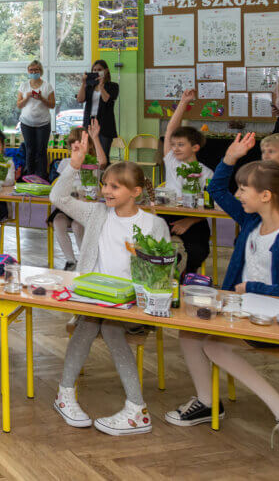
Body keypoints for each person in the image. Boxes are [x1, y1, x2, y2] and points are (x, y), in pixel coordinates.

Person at [168, 132, 279, 464]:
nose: (238, 195)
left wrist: (252, 288)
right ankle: (207, 403)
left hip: (276, 318)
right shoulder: (251, 220)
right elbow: (217, 190)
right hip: (245, 309)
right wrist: (229, 159)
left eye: (244, 189)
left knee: (215, 346)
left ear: (265, 195)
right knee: (189, 331)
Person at [49, 132, 167, 436]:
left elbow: (162, 273)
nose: (106, 190)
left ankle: (134, 408)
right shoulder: (97, 212)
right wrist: (74, 165)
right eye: (105, 184)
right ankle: (69, 395)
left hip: (131, 304)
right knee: (90, 323)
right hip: (93, 297)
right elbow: (58, 198)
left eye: (115, 186)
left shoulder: (154, 224)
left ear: (135, 192)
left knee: (108, 328)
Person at [163, 88, 213, 277]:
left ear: (195, 147)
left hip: (194, 216)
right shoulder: (171, 161)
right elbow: (170, 130)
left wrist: (190, 221)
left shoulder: (206, 173)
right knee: (152, 238)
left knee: (199, 249)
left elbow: (210, 205)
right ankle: (171, 259)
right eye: (173, 145)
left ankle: (189, 273)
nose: (175, 149)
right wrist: (183, 102)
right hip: (167, 213)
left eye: (181, 145)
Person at [47, 122, 107, 271]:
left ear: (88, 145)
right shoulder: (66, 163)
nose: (76, 144)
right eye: (72, 142)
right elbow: (60, 186)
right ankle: (70, 260)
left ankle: (86, 261)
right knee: (58, 222)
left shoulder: (92, 162)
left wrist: (95, 138)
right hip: (68, 205)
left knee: (77, 225)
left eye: (79, 141)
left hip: (86, 207)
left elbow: (103, 162)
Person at [16, 59, 56, 179]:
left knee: (41, 150)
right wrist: (27, 97)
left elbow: (52, 105)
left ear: (40, 71)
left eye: (36, 69)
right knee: (30, 150)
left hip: (43, 124)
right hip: (26, 123)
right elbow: (19, 105)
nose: (34, 72)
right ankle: (29, 176)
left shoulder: (47, 86)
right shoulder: (23, 86)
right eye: (31, 70)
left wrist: (41, 98)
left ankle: (41, 176)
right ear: (28, 71)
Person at [77, 60, 119, 160]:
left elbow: (106, 99)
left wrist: (101, 86)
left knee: (103, 155)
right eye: (94, 70)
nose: (96, 72)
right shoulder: (89, 87)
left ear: (106, 71)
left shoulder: (113, 86)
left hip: (104, 125)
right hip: (89, 123)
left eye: (99, 69)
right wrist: (83, 83)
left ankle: (103, 171)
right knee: (88, 155)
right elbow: (80, 99)